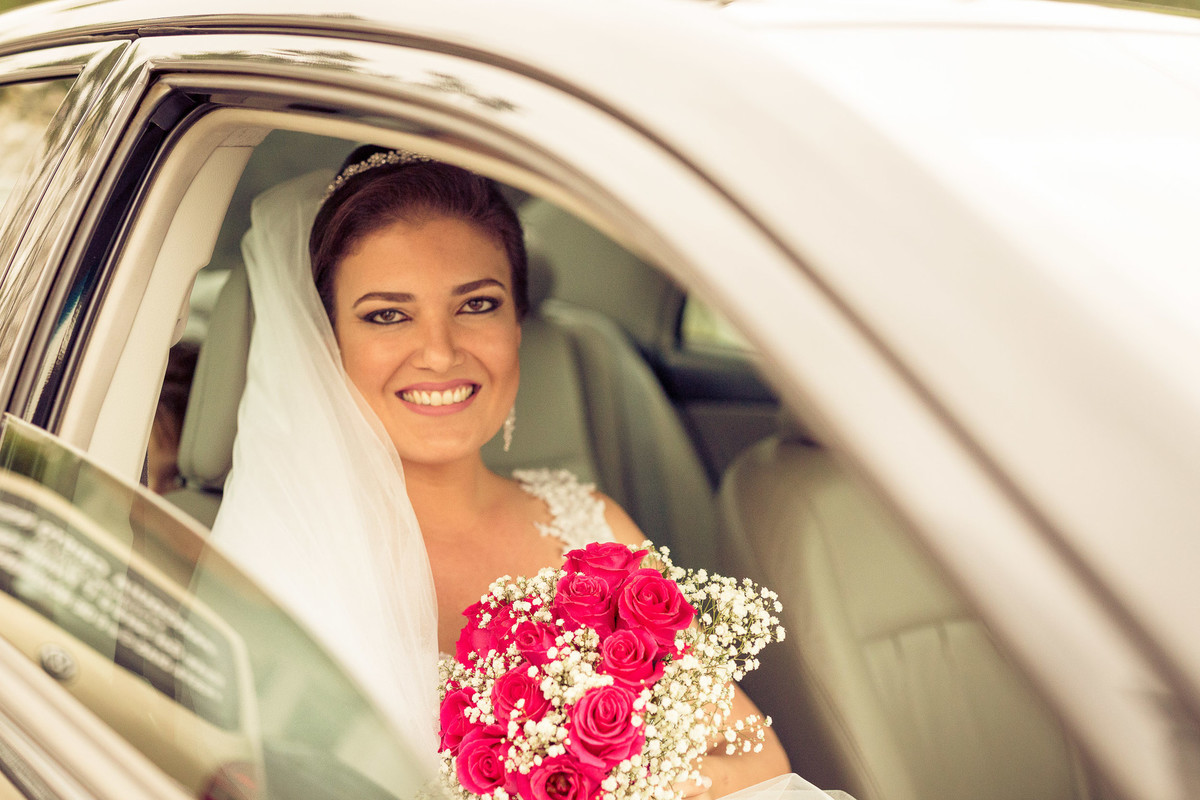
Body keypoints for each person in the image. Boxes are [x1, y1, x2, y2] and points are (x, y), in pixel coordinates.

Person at [211, 146, 802, 800]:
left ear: (518, 325)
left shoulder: (590, 524)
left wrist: (609, 783)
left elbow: (757, 758)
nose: (439, 351)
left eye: (477, 304)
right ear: (329, 347)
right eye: (386, 314)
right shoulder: (282, 574)